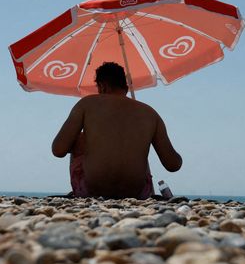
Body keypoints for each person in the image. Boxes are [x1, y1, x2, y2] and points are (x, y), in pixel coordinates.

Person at [52, 62, 182, 198]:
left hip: (92, 190)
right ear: (125, 86)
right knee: (137, 145)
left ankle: (81, 190)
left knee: (79, 139)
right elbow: (173, 164)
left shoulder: (86, 104)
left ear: (102, 86)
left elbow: (58, 150)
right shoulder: (150, 113)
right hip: (137, 193)